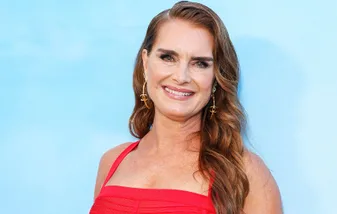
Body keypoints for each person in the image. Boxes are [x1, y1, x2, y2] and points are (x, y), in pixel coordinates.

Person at [89, 1, 282, 213]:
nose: (181, 77)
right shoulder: (112, 162)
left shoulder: (245, 172)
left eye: (200, 63)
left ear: (216, 77)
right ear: (146, 62)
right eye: (168, 57)